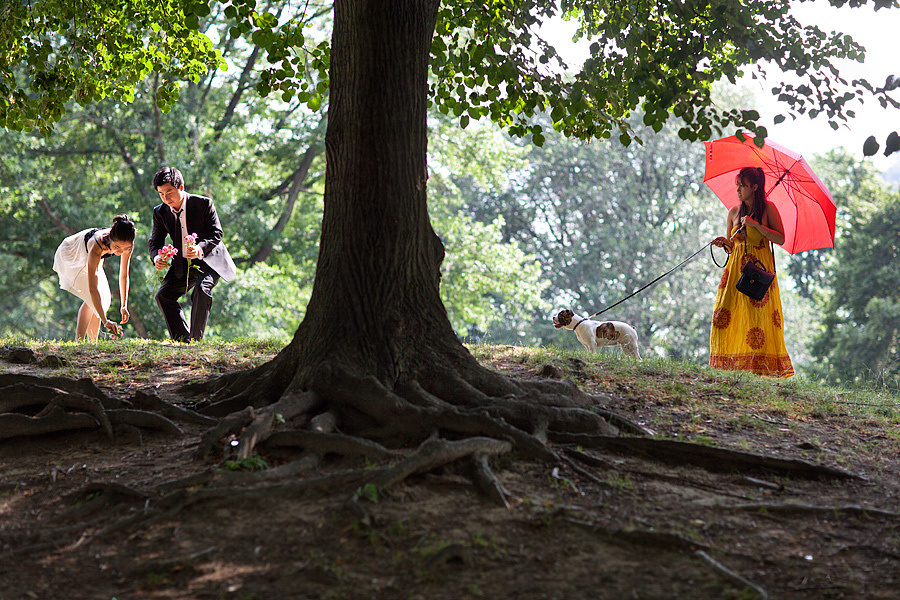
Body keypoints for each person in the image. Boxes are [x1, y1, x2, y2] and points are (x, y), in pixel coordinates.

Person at [710, 166, 794, 378]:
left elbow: (780, 239)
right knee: (724, 314)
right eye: (737, 185)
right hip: (735, 273)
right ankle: (727, 367)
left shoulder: (768, 210)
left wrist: (757, 226)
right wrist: (724, 243)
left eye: (743, 186)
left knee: (755, 319)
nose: (738, 189)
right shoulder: (733, 212)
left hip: (758, 272)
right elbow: (733, 247)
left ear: (755, 187)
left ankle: (757, 369)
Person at [148, 166, 236, 342]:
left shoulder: (203, 204)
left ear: (181, 187)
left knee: (201, 290)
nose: (166, 198)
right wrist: (157, 257)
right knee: (163, 296)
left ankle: (196, 342)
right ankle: (183, 342)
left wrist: (200, 249)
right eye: (161, 194)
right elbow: (155, 242)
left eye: (169, 192)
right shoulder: (160, 212)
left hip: (209, 260)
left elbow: (216, 233)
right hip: (182, 264)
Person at [53, 215, 135, 340]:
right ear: (111, 239)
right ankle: (79, 342)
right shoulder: (97, 246)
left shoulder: (128, 246)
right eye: (117, 247)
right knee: (92, 298)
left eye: (125, 248)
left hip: (90, 259)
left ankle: (92, 343)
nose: (120, 252)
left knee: (104, 300)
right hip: (72, 254)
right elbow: (92, 289)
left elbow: (124, 275)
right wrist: (105, 321)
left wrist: (124, 305)